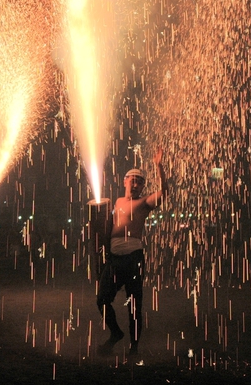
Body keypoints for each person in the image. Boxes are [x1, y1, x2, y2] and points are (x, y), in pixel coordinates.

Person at [97, 148, 168, 356]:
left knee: (134, 305)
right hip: (114, 259)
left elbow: (164, 192)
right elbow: (105, 229)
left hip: (134, 259)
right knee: (102, 300)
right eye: (133, 180)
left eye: (140, 182)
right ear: (125, 181)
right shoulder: (116, 202)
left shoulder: (143, 203)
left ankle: (134, 347)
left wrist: (159, 166)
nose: (136, 185)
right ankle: (116, 333)